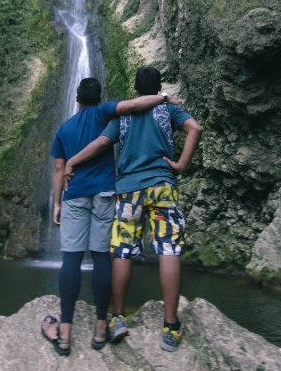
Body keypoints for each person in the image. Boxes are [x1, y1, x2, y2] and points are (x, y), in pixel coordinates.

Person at [63, 66, 202, 353]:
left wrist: (72, 161)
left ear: (136, 90)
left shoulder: (122, 116)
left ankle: (117, 318)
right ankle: (170, 326)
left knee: (122, 251)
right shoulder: (169, 112)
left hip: (128, 191)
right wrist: (180, 165)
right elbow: (195, 129)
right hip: (163, 186)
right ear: (158, 87)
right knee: (168, 250)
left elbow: (100, 143)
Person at [40, 77, 177, 356]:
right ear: (99, 98)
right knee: (102, 256)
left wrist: (56, 204)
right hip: (105, 192)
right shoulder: (105, 114)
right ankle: (101, 327)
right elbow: (138, 104)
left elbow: (58, 169)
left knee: (72, 257)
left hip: (74, 195)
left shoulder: (64, 129)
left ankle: (64, 335)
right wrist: (164, 98)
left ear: (77, 99)